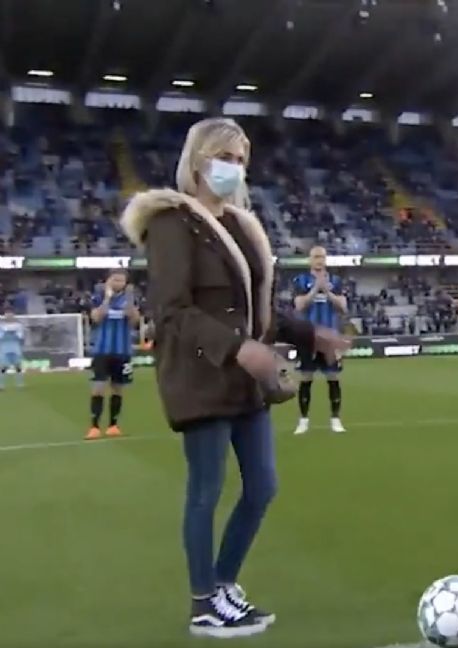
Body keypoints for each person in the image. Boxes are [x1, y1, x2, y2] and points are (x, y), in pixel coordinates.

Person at [119, 117, 348, 638]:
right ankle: (203, 604)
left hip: (246, 381)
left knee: (262, 486)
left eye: (241, 159)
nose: (234, 168)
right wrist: (239, 348)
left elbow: (256, 308)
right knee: (206, 489)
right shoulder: (172, 224)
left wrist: (312, 335)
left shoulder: (243, 227)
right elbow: (172, 311)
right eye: (225, 157)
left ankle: (223, 584)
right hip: (202, 376)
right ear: (198, 160)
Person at [292, 246, 349, 435]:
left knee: (333, 378)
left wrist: (328, 292)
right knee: (306, 377)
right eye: (316, 257)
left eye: (322, 257)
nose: (319, 260)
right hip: (308, 337)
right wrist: (316, 288)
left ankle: (335, 419)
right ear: (310, 260)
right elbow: (299, 306)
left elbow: (343, 307)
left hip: (329, 338)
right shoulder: (301, 280)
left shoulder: (336, 281)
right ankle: (303, 420)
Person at [85, 269, 141, 440]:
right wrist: (107, 299)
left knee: (118, 388)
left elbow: (134, 320)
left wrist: (130, 300)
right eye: (115, 279)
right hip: (102, 350)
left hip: (122, 350)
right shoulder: (98, 297)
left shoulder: (129, 298)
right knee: (98, 388)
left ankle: (113, 425)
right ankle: (94, 426)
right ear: (108, 281)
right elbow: (96, 318)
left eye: (121, 280)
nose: (118, 283)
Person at [0, 307, 25, 389]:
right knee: (4, 367)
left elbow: (21, 336)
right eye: (7, 314)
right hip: (4, 349)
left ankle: (20, 384)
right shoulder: (1, 325)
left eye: (10, 313)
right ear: (4, 315)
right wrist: (5, 333)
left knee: (18, 367)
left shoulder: (18, 325)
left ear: (13, 314)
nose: (9, 315)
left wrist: (14, 334)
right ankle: (1, 385)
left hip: (16, 349)